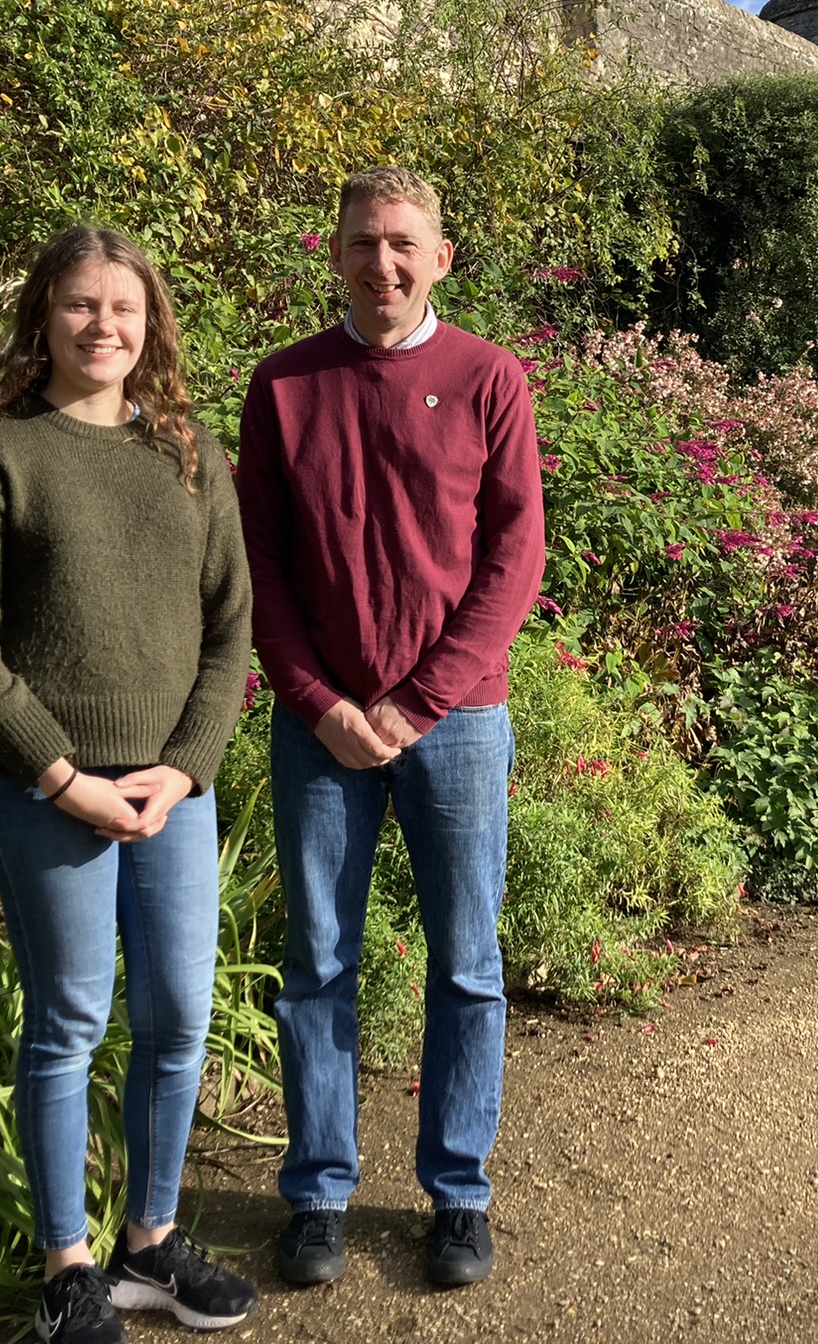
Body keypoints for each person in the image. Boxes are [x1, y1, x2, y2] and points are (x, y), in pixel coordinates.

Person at [0, 227, 258, 1344]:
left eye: (122, 308)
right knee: (68, 1021)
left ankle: (151, 1245)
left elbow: (230, 631)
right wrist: (63, 776)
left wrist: (186, 766)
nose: (101, 326)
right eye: (78, 306)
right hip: (44, 788)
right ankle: (70, 1265)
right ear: (43, 315)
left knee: (176, 1019)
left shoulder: (189, 456)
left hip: (173, 788)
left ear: (150, 323)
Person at [235, 167, 544, 1290]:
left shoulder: (485, 379)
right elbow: (257, 564)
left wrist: (415, 705)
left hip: (455, 722)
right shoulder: (282, 385)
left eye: (403, 243)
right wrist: (317, 702)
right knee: (316, 962)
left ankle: (456, 1195)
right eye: (364, 242)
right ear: (336, 252)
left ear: (441, 257)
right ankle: (318, 1191)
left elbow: (513, 561)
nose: (383, 263)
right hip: (318, 727)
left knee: (466, 965)